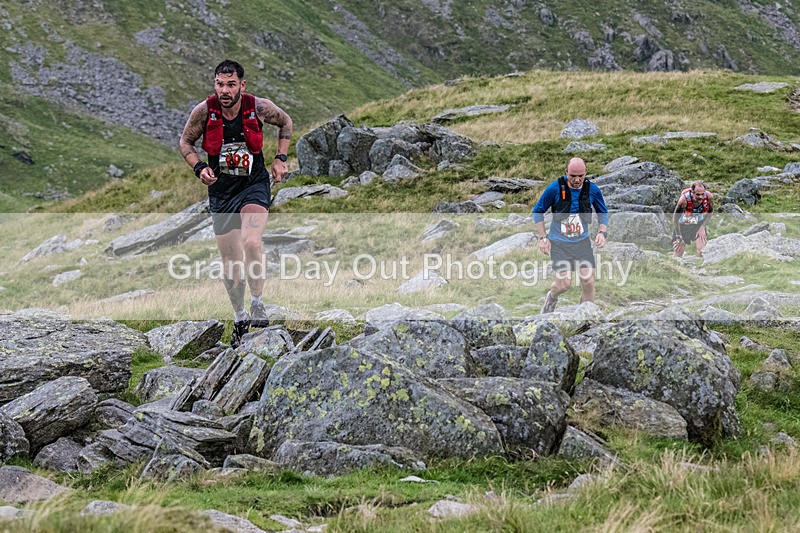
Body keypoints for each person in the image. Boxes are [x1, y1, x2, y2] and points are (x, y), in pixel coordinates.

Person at [179, 59, 293, 348]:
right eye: (220, 84)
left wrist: (280, 159)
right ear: (214, 84)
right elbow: (185, 143)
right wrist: (198, 168)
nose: (225, 90)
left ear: (242, 85)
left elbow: (286, 123)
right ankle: (240, 317)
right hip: (221, 192)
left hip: (253, 185)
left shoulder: (259, 107)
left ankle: (257, 304)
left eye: (231, 84)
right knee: (231, 263)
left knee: (252, 242)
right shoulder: (203, 112)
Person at [532, 157, 609, 314]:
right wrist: (543, 238)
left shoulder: (592, 190)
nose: (577, 180)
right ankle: (551, 298)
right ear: (566, 172)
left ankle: (586, 317)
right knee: (564, 284)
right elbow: (537, 212)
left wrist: (602, 232)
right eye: (573, 176)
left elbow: (603, 213)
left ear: (585, 173)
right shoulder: (555, 188)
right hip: (560, 244)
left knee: (588, 281)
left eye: (580, 175)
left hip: (582, 243)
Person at [672, 181, 713, 259]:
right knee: (677, 255)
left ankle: (699, 269)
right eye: (697, 194)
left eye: (702, 194)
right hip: (683, 225)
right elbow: (675, 218)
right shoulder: (683, 200)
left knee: (702, 252)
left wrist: (702, 227)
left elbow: (710, 212)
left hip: (698, 224)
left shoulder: (709, 197)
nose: (701, 197)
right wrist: (678, 236)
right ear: (692, 192)